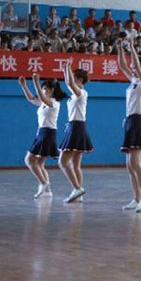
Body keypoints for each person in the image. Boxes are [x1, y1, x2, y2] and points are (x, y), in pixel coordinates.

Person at [117, 39, 141, 213]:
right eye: (132, 67)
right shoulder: (133, 82)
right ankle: (137, 198)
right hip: (130, 121)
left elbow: (138, 68)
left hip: (139, 121)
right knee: (129, 165)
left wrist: (132, 48)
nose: (132, 69)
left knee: (136, 162)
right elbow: (122, 65)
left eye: (136, 67)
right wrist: (120, 48)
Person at [18, 74, 65, 199]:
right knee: (39, 162)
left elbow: (40, 96)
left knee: (29, 160)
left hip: (47, 133)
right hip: (42, 133)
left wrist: (36, 82)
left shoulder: (54, 103)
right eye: (42, 88)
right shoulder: (43, 103)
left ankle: (43, 183)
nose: (43, 91)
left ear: (51, 90)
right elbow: (31, 98)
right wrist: (23, 85)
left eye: (45, 88)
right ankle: (47, 190)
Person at [58, 59, 92, 203]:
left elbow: (69, 83)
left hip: (76, 127)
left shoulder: (81, 93)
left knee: (63, 161)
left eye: (73, 76)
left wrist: (67, 68)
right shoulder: (75, 94)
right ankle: (79, 193)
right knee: (75, 164)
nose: (70, 79)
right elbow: (69, 83)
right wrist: (66, 69)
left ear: (79, 80)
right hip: (77, 126)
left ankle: (77, 189)